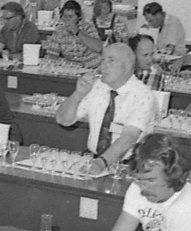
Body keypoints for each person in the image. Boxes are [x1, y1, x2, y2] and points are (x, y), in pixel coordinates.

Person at [56, 42, 157, 172]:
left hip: (130, 166)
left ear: (128, 66)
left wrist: (101, 163)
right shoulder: (97, 87)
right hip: (95, 159)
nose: (103, 66)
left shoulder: (143, 95)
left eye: (111, 61)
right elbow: (63, 120)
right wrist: (78, 94)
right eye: (103, 60)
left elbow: (128, 138)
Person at [42, 0, 104, 68]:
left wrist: (77, 32)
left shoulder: (88, 27)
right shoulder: (59, 31)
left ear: (78, 17)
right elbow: (51, 55)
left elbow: (98, 48)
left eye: (71, 16)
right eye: (65, 16)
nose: (67, 19)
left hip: (93, 66)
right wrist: (65, 62)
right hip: (72, 67)